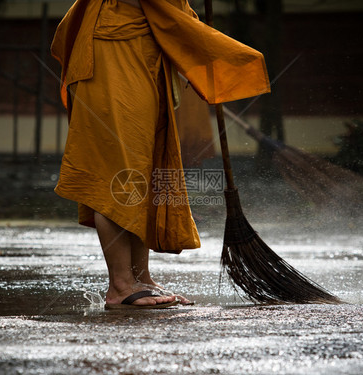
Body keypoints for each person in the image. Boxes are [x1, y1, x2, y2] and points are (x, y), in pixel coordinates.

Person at [51, 0, 270, 309]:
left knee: (145, 166)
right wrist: (199, 41)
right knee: (120, 170)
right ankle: (120, 285)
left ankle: (140, 278)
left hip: (145, 45)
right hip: (113, 47)